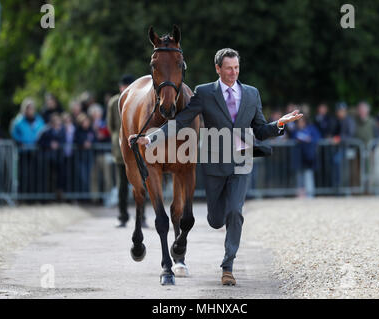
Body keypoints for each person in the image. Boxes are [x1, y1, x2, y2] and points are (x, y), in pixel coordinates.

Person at [129, 48, 302, 285]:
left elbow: (260, 128)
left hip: (241, 161)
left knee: (235, 212)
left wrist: (279, 124)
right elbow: (180, 122)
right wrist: (151, 138)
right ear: (218, 69)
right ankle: (218, 226)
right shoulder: (205, 92)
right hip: (214, 164)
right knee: (216, 219)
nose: (233, 73)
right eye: (229, 68)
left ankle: (227, 266)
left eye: (237, 68)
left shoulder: (251, 94)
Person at [107, 74, 147, 228]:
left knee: (140, 184)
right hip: (121, 148)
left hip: (135, 146)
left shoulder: (136, 99)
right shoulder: (114, 102)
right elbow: (111, 126)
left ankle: (141, 216)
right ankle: (123, 216)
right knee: (122, 185)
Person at [293, 116, 321, 198]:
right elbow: (292, 138)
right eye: (299, 122)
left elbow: (317, 138)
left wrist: (310, 140)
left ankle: (310, 194)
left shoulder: (311, 129)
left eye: (302, 122)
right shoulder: (295, 131)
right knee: (299, 177)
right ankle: (301, 195)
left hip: (309, 157)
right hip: (298, 158)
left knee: (308, 175)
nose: (300, 124)